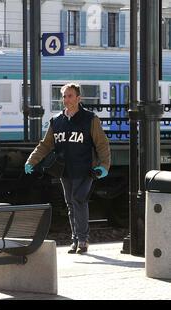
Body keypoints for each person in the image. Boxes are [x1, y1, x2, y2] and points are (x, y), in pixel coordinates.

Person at [24, 83, 111, 254]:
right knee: (71, 204)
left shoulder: (90, 119)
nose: (66, 99)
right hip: (65, 171)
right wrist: (31, 161)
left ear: (79, 98)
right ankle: (76, 239)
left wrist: (104, 165)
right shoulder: (57, 121)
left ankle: (83, 240)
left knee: (79, 200)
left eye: (70, 95)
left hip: (85, 169)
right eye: (64, 96)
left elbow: (102, 144)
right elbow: (45, 144)